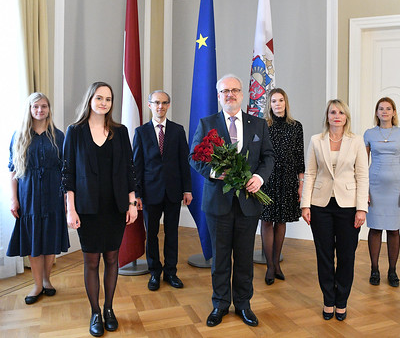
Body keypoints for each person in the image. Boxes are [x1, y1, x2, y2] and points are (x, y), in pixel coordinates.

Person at [189, 74, 274, 328]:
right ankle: (220, 304)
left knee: (245, 258)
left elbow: (268, 157)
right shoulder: (207, 124)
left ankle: (244, 304)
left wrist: (259, 177)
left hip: (249, 204)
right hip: (218, 204)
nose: (230, 94)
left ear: (242, 94)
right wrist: (216, 172)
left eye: (235, 90)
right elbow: (195, 157)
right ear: (219, 96)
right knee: (221, 258)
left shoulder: (258, 125)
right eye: (225, 91)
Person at [62, 82, 138, 337]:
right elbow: (68, 174)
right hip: (87, 208)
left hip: (115, 207)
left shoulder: (120, 131)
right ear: (90, 99)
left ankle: (109, 309)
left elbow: (129, 170)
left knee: (113, 258)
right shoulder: (75, 132)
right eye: (99, 97)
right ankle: (95, 312)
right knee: (92, 260)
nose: (104, 102)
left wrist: (132, 203)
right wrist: (70, 209)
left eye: (108, 99)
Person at [301, 99, 368, 322]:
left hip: (349, 207)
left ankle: (342, 302)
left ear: (346, 117)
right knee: (325, 256)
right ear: (327, 116)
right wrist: (305, 204)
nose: (337, 116)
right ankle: (328, 300)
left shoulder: (356, 141)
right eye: (332, 112)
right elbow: (310, 174)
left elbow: (362, 176)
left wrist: (362, 209)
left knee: (346, 256)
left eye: (341, 112)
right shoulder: (316, 141)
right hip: (320, 206)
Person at [7, 93, 70, 305]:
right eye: (36, 107)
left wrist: (66, 199)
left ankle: (47, 280)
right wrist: (13, 199)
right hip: (29, 194)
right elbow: (13, 170)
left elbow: (66, 169)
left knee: (50, 238)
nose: (40, 110)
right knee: (34, 239)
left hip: (54, 192)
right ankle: (36, 285)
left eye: (44, 106)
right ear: (30, 109)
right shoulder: (20, 136)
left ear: (49, 109)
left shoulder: (58, 135)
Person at [133, 90, 192, 291]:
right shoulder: (141, 132)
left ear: (168, 105)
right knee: (152, 234)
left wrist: (187, 189)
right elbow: (137, 166)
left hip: (174, 191)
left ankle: (171, 272)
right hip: (150, 193)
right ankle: (154, 273)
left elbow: (185, 163)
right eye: (156, 102)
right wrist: (138, 194)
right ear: (150, 105)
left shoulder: (177, 130)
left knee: (172, 233)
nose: (160, 106)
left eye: (164, 103)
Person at [363, 97, 400, 287]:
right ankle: (374, 269)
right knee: (374, 228)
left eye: (388, 108)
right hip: (374, 185)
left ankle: (392, 270)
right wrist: (363, 190)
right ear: (376, 112)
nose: (384, 112)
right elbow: (361, 164)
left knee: (393, 230)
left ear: (394, 112)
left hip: (396, 186)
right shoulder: (368, 133)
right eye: (381, 108)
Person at [260, 88, 304, 285]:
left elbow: (299, 157)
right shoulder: (263, 126)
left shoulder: (296, 127)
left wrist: (301, 184)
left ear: (286, 103)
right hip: (267, 179)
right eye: (274, 101)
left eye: (280, 100)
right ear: (269, 105)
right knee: (267, 221)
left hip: (288, 179)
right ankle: (269, 265)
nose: (277, 104)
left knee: (281, 221)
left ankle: (277, 263)